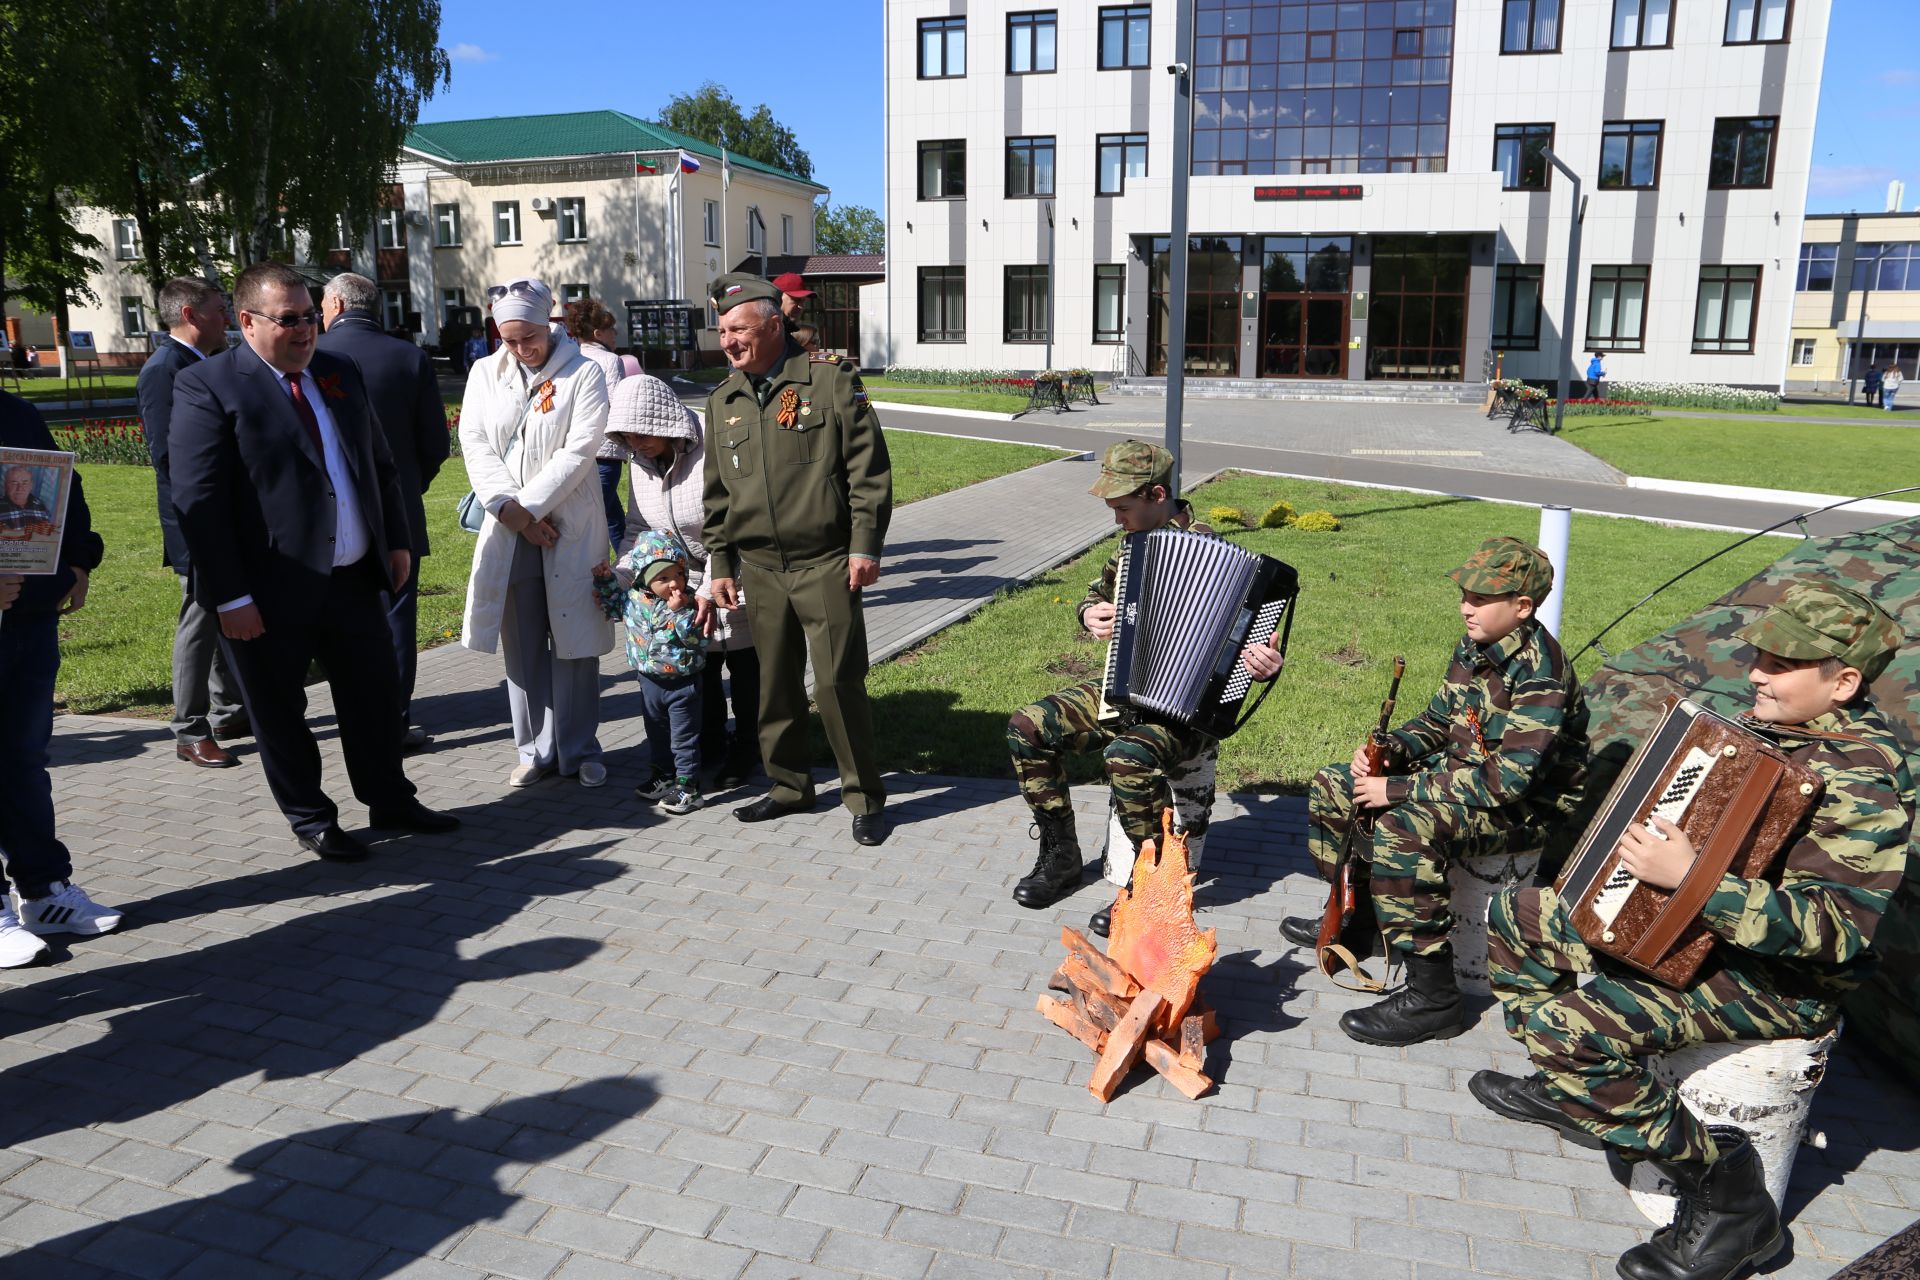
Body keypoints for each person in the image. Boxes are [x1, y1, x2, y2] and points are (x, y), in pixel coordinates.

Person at [1471, 581, 1912, 1280]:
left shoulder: (1865, 785)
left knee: (1569, 1030)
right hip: (1701, 932)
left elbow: (1836, 934)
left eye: (1783, 663)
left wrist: (1691, 879)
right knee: (1517, 917)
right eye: (1760, 655)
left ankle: (1728, 1191)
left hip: (1776, 983)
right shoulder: (1772, 731)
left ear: (1845, 682)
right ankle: (1577, 1096)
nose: (1758, 672)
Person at [169, 261, 459, 863]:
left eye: (309, 317)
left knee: (376, 698)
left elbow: (379, 464)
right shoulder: (210, 386)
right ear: (247, 322)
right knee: (280, 712)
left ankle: (389, 798)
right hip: (266, 591)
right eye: (288, 320)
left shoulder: (337, 370)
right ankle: (312, 817)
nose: (305, 331)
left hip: (352, 577)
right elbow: (199, 502)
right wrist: (229, 596)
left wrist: (396, 541)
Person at [1279, 536, 1589, 1046]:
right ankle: (1358, 918)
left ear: (1522, 607)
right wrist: (1389, 751)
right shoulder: (1477, 645)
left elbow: (1508, 781)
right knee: (1337, 784)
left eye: (1481, 599)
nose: (1466, 607)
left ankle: (1434, 996)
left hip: (1524, 808)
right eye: (1465, 594)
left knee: (1405, 826)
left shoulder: (1541, 674)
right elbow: (1439, 721)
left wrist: (1398, 789)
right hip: (1467, 779)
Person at [1006, 441, 1285, 938]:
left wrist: (1264, 662)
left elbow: (1263, 643)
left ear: (1158, 495)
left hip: (1190, 711)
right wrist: (1088, 613)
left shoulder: (1223, 556)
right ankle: (1061, 855)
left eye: (1123, 509)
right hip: (1126, 688)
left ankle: (1150, 888)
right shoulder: (1132, 545)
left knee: (1128, 758)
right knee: (1026, 727)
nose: (1117, 521)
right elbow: (1098, 594)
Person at [702, 273, 892, 845]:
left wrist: (865, 545)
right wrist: (720, 564)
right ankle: (787, 787)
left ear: (772, 323)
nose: (727, 342)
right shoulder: (723, 400)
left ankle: (863, 795)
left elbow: (867, 470)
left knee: (836, 682)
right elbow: (717, 494)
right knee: (771, 688)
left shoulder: (829, 381)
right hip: (759, 570)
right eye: (722, 331)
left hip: (827, 562)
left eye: (738, 329)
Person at [458, 277, 613, 789]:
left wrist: (529, 508)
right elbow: (476, 442)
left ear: (550, 323)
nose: (523, 349)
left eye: (531, 337)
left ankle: (579, 747)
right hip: (510, 527)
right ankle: (534, 749)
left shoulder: (585, 373)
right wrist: (511, 513)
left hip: (569, 522)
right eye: (510, 340)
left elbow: (580, 448)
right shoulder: (484, 373)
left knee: (574, 637)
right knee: (521, 641)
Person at [0, 391, 119, 965]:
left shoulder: (14, 410)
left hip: (29, 617)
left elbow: (62, 488)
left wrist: (78, 560)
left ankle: (44, 890)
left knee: (23, 758)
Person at [318, 272, 451, 754]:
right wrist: (408, 488)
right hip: (397, 512)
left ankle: (351, 718)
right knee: (396, 617)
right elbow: (436, 443)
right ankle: (393, 721)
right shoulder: (409, 357)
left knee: (334, 620)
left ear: (334, 303)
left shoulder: (313, 355)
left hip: (328, 518)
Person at [610, 372, 760, 787]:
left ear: (663, 422)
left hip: (735, 568)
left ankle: (749, 749)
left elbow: (733, 518)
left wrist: (715, 581)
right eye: (626, 436)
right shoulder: (638, 462)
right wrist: (625, 576)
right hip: (684, 583)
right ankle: (710, 745)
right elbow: (639, 527)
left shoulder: (711, 445)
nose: (635, 443)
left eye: (642, 434)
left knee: (746, 668)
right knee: (702, 668)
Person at [139, 277, 247, 769]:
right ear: (189, 314)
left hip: (226, 517)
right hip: (196, 521)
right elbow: (170, 458)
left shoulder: (204, 362)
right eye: (217, 309)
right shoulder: (165, 370)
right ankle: (189, 729)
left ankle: (230, 710)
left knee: (224, 608)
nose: (226, 316)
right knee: (201, 618)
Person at [601, 530, 707, 815]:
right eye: (663, 578)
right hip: (648, 680)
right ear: (645, 579)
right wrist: (604, 580)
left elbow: (697, 639)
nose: (674, 583)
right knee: (656, 732)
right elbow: (612, 607)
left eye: (678, 574)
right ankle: (664, 776)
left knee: (683, 738)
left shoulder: (690, 603)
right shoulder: (634, 599)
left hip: (682, 682)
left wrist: (680, 612)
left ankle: (689, 787)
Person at [563, 299, 628, 555]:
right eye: (612, 329)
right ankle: (597, 567)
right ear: (598, 333)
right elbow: (617, 403)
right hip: (604, 450)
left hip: (574, 449)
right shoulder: (610, 360)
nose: (615, 335)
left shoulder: (569, 358)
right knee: (598, 514)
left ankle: (628, 563)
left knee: (610, 512)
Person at [0, 464, 53, 533]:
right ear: (6, 485)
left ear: (31, 486)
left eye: (25, 483)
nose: (19, 488)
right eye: (14, 483)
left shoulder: (41, 505)